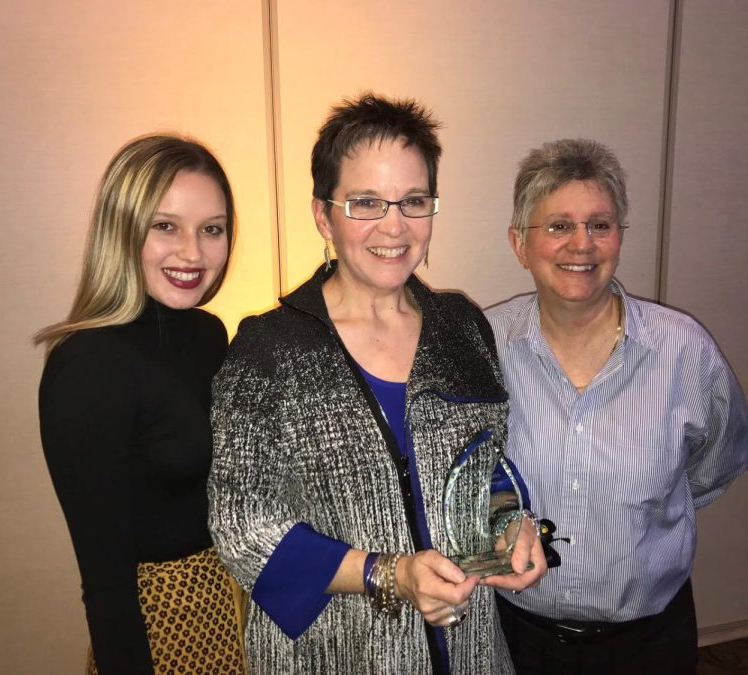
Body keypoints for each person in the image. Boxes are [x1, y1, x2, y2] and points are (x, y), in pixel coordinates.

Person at [207, 93, 546, 674]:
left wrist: (513, 524)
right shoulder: (270, 351)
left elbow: (488, 467)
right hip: (339, 651)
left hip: (468, 644)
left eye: (414, 202)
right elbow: (242, 527)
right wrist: (389, 573)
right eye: (366, 202)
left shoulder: (461, 329)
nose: (394, 226)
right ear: (323, 215)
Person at [486, 138, 748, 674]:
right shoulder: (484, 347)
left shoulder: (684, 350)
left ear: (619, 238)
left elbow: (718, 461)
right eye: (558, 225)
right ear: (519, 244)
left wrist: (646, 510)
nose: (581, 244)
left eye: (600, 225)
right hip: (518, 638)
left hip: (650, 644)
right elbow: (466, 472)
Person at [36, 135, 246, 674]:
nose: (193, 252)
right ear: (123, 229)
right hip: (157, 631)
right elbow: (104, 577)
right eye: (165, 226)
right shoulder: (88, 364)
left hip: (233, 607)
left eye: (212, 229)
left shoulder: (208, 333)